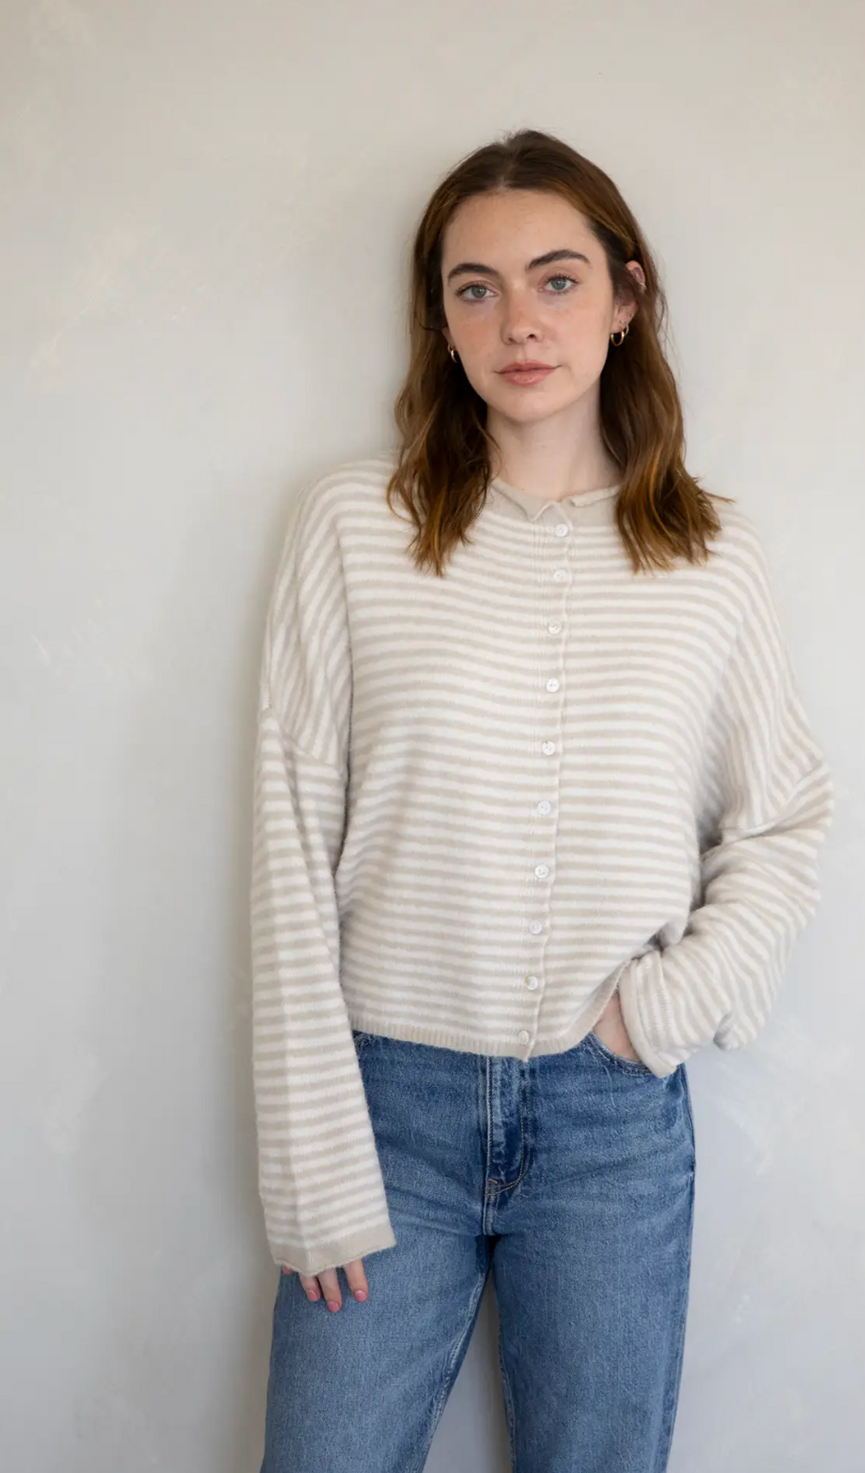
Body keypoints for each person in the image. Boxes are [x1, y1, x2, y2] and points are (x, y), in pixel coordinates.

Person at [252, 127, 834, 1473]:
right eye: (477, 287)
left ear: (626, 298)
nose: (519, 320)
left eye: (557, 279)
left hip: (609, 1124)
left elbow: (785, 817)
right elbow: (287, 840)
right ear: (441, 320)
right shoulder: (353, 525)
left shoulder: (712, 558)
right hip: (382, 1114)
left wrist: (656, 1017)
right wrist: (312, 1163)